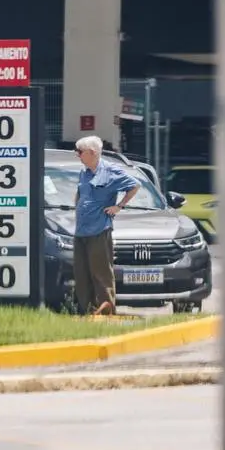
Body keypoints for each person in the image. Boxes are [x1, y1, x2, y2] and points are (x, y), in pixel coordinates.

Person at [73, 134, 140, 316]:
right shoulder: (84, 172)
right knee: (82, 273)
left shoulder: (111, 171)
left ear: (92, 152)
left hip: (99, 229)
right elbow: (81, 193)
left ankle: (106, 312)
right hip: (81, 230)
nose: (77, 155)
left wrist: (119, 206)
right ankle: (86, 312)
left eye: (79, 152)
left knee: (101, 272)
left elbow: (135, 185)